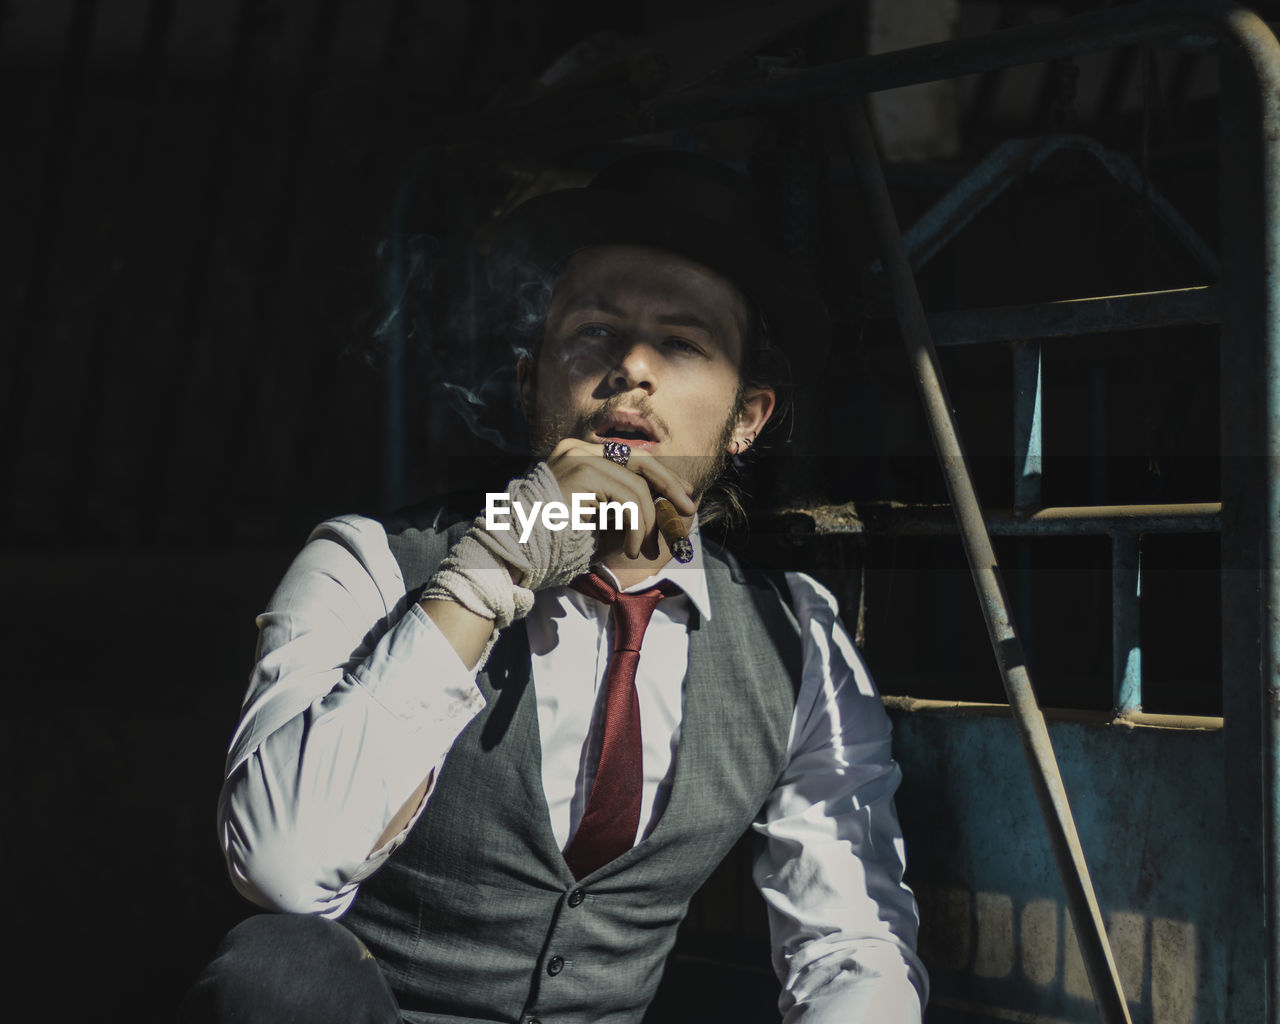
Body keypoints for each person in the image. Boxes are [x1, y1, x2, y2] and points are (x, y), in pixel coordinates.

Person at [181, 150, 927, 1024]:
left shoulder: (795, 636)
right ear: (534, 380)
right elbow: (282, 866)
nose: (632, 370)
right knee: (279, 970)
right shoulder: (369, 563)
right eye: (597, 333)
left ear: (747, 419)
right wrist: (499, 560)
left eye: (682, 343)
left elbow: (850, 943)